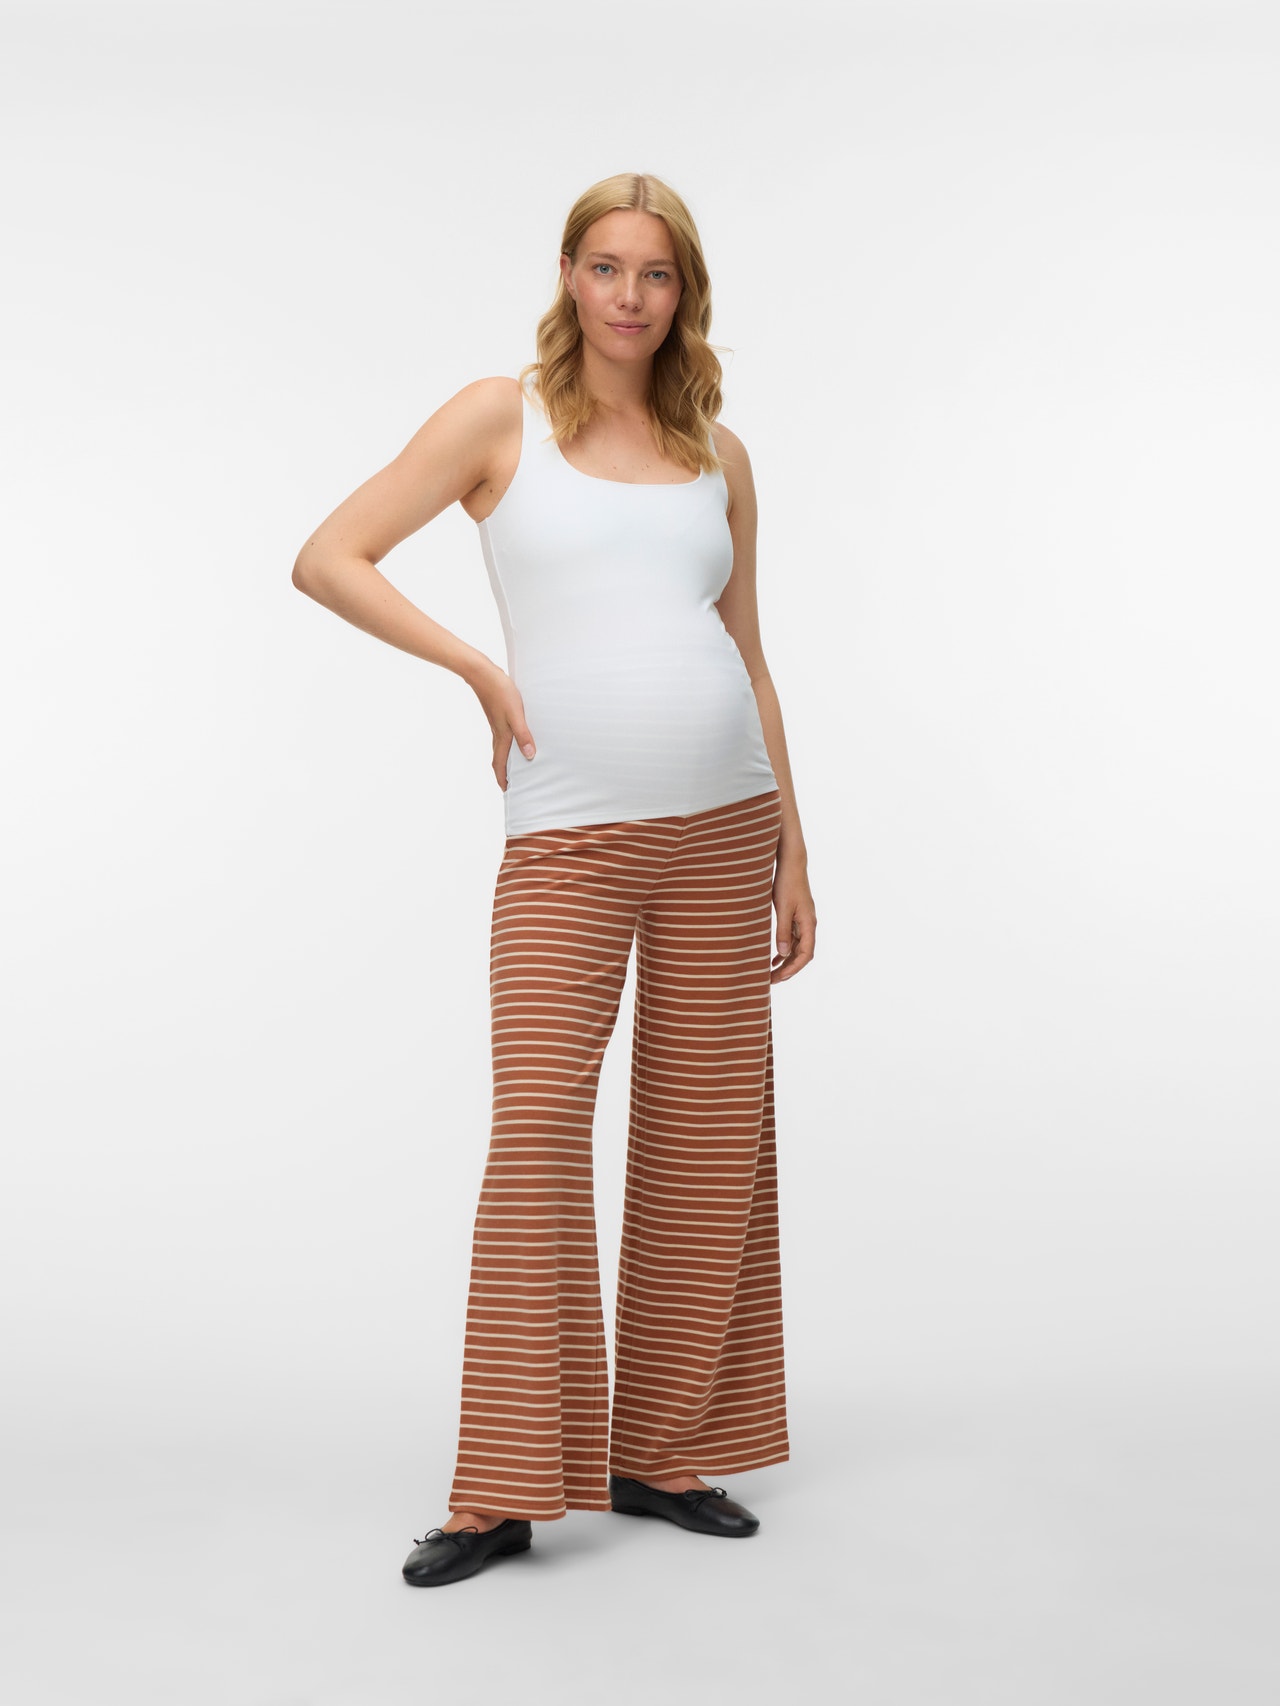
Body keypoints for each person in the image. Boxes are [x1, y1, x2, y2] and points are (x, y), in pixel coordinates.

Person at [292, 171, 817, 1588]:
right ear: (570, 276)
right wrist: (477, 667)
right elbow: (328, 557)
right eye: (606, 266)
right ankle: (503, 1486)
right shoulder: (499, 417)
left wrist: (794, 844)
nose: (629, 296)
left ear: (684, 291)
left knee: (708, 1141)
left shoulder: (719, 453)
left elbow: (749, 650)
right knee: (535, 1135)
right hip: (568, 838)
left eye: (656, 272)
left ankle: (661, 1451)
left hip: (726, 826)